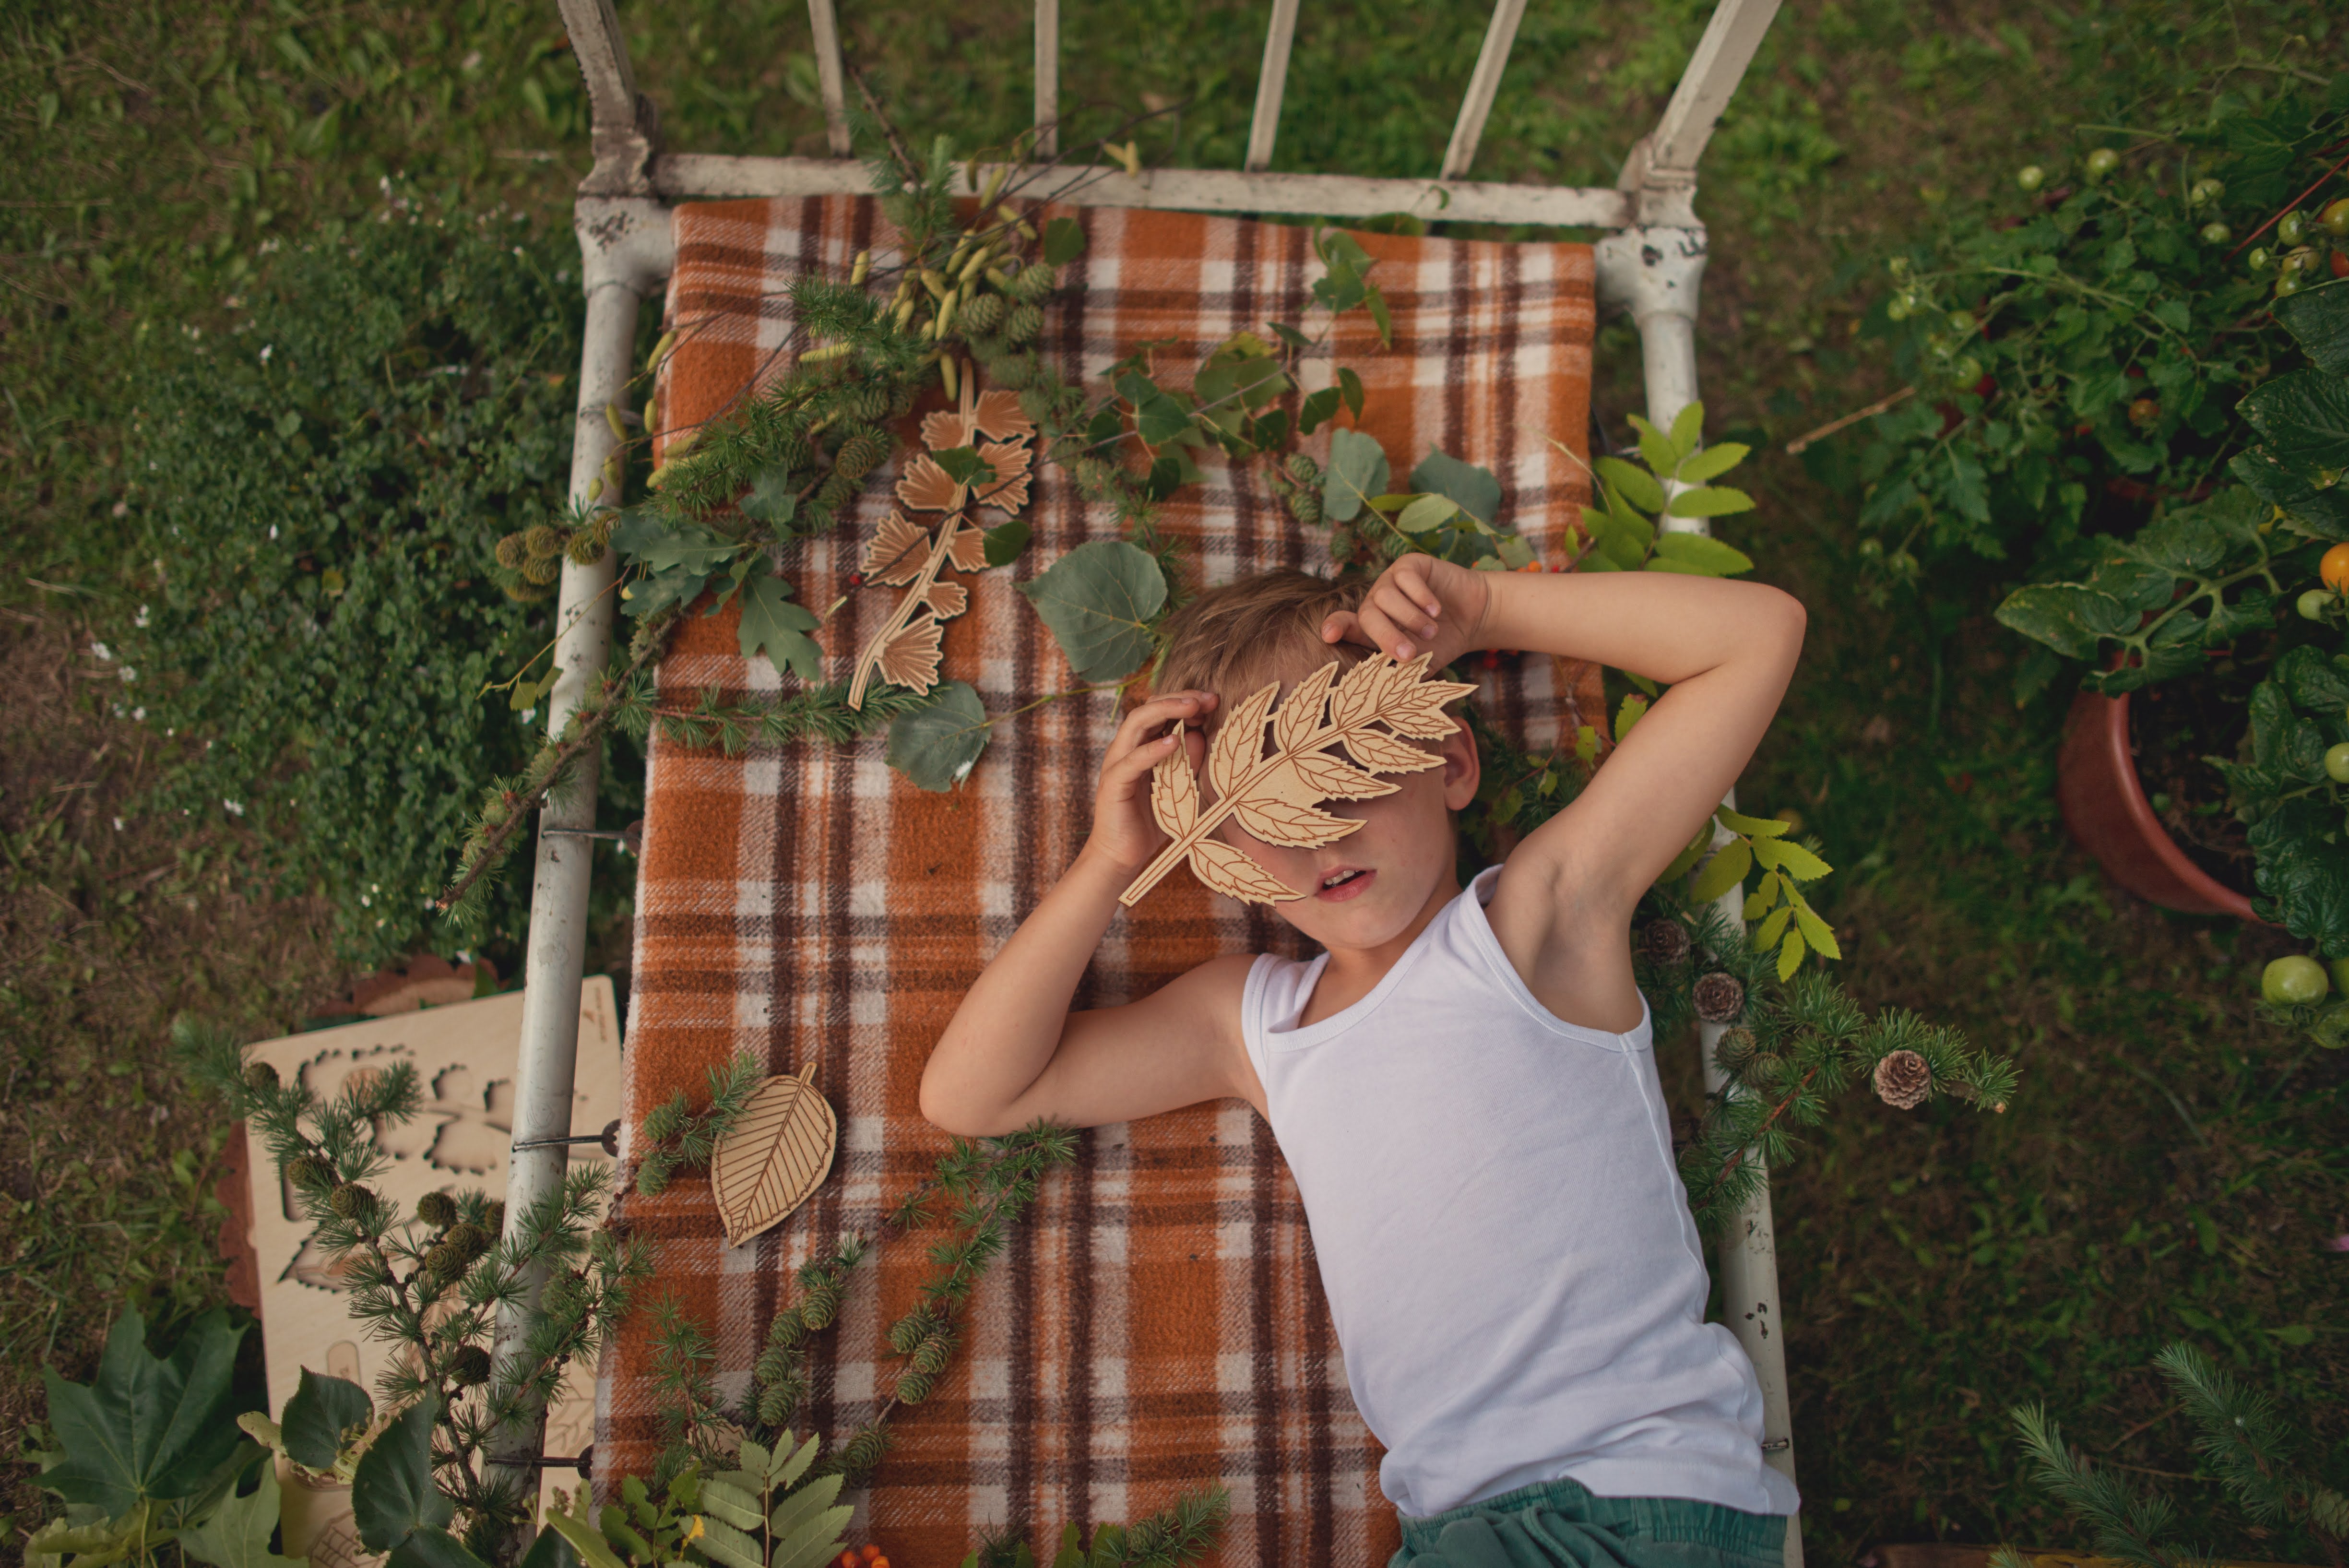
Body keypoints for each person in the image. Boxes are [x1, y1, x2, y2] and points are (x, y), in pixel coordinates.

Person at [920, 550, 1809, 1568]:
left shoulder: (1533, 925)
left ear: (1451, 762)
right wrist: (1111, 862)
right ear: (1219, 853)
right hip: (1456, 1524)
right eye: (1262, 819)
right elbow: (975, 1091)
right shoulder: (1252, 1022)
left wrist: (1484, 609)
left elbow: (1758, 634)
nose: (1318, 838)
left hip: (1629, 1483)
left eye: (1349, 775)